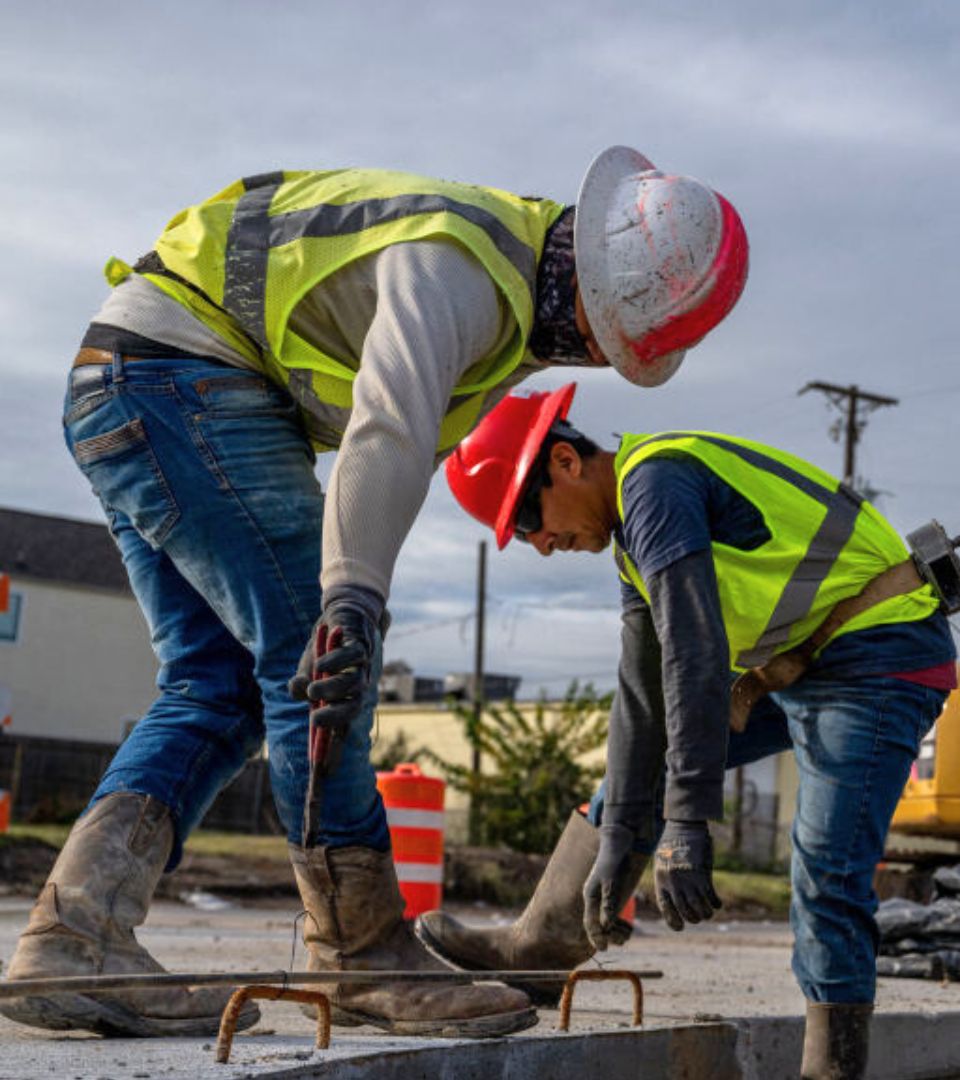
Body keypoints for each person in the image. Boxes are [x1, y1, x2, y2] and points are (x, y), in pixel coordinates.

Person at [2, 148, 749, 1040]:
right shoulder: (460, 265)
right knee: (311, 654)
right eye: (602, 333)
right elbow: (386, 429)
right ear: (586, 262)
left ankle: (74, 934)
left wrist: (355, 588)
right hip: (181, 380)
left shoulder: (513, 316)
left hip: (129, 386)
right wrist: (350, 601)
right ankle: (356, 951)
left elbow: (401, 461)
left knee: (217, 685)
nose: (592, 355)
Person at [424, 385, 957, 1079]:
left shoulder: (657, 485)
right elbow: (643, 702)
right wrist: (619, 840)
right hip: (806, 662)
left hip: (883, 655)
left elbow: (694, 654)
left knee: (826, 869)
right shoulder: (630, 546)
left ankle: (832, 1069)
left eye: (529, 518)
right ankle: (542, 949)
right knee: (636, 766)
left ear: (565, 460)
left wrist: (687, 823)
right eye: (524, 537)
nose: (543, 545)